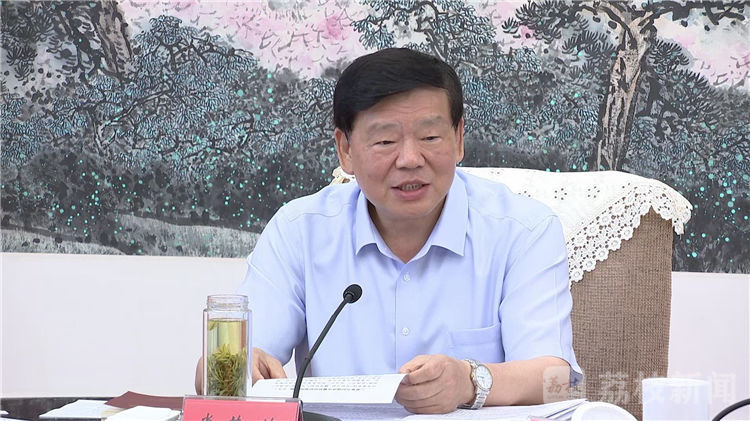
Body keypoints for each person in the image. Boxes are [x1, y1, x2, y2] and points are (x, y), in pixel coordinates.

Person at [197, 47, 581, 413]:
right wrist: (234, 369)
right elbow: (218, 369)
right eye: (385, 141)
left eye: (430, 137)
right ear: (345, 150)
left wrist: (470, 381)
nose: (410, 159)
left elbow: (556, 381)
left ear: (459, 139)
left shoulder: (524, 231)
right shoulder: (299, 232)